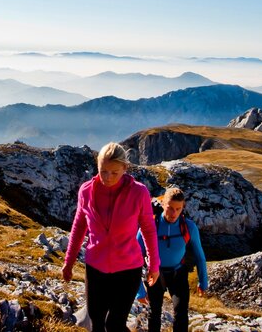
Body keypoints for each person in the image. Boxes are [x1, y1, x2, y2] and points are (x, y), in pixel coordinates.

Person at [62, 142, 161, 332]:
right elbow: (79, 226)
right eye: (103, 171)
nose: (107, 177)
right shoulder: (86, 191)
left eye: (114, 172)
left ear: (125, 168)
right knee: (96, 322)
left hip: (128, 270)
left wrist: (154, 265)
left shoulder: (139, 192)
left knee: (114, 324)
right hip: (95, 268)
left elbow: (148, 229)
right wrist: (69, 261)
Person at [136, 187, 208, 332]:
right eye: (170, 208)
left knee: (181, 313)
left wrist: (203, 281)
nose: (174, 213)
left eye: (178, 209)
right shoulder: (149, 225)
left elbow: (200, 256)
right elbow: (134, 258)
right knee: (154, 313)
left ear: (183, 207)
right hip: (154, 274)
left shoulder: (188, 227)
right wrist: (139, 291)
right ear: (163, 204)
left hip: (178, 274)